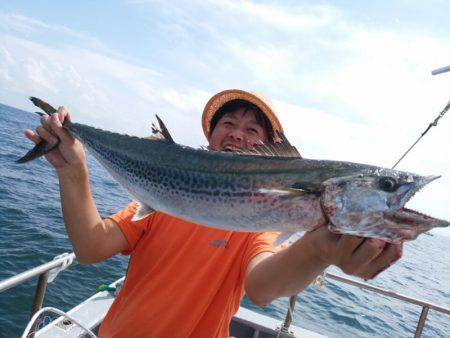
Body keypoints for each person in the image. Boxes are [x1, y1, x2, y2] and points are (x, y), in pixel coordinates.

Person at [24, 89, 403, 337]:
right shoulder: (165, 194)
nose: (238, 134)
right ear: (210, 137)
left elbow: (263, 286)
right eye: (229, 124)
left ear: (270, 154)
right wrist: (72, 169)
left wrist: (320, 251)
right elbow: (91, 248)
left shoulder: (262, 219)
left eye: (253, 130)